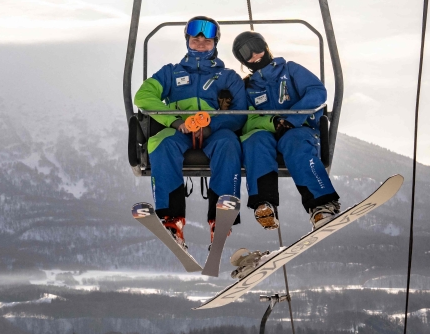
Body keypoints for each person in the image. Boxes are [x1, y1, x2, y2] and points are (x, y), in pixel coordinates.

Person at [134, 16, 247, 245]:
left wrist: (211, 126)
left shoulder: (228, 77)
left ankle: (221, 217)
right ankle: (171, 218)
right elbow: (143, 96)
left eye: (207, 42)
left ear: (215, 44)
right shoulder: (172, 73)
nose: (201, 45)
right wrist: (175, 122)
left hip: (216, 132)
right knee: (163, 144)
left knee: (229, 144)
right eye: (196, 40)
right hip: (182, 130)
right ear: (187, 41)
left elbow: (239, 113)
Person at [232, 31, 341, 231]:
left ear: (265, 47)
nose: (255, 55)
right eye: (247, 54)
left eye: (257, 47)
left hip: (299, 129)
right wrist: (274, 123)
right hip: (267, 134)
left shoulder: (290, 70)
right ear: (243, 61)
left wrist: (292, 119)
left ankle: (322, 204)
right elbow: (248, 119)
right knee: (254, 141)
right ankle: (264, 204)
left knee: (295, 142)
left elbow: (317, 92)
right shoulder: (248, 87)